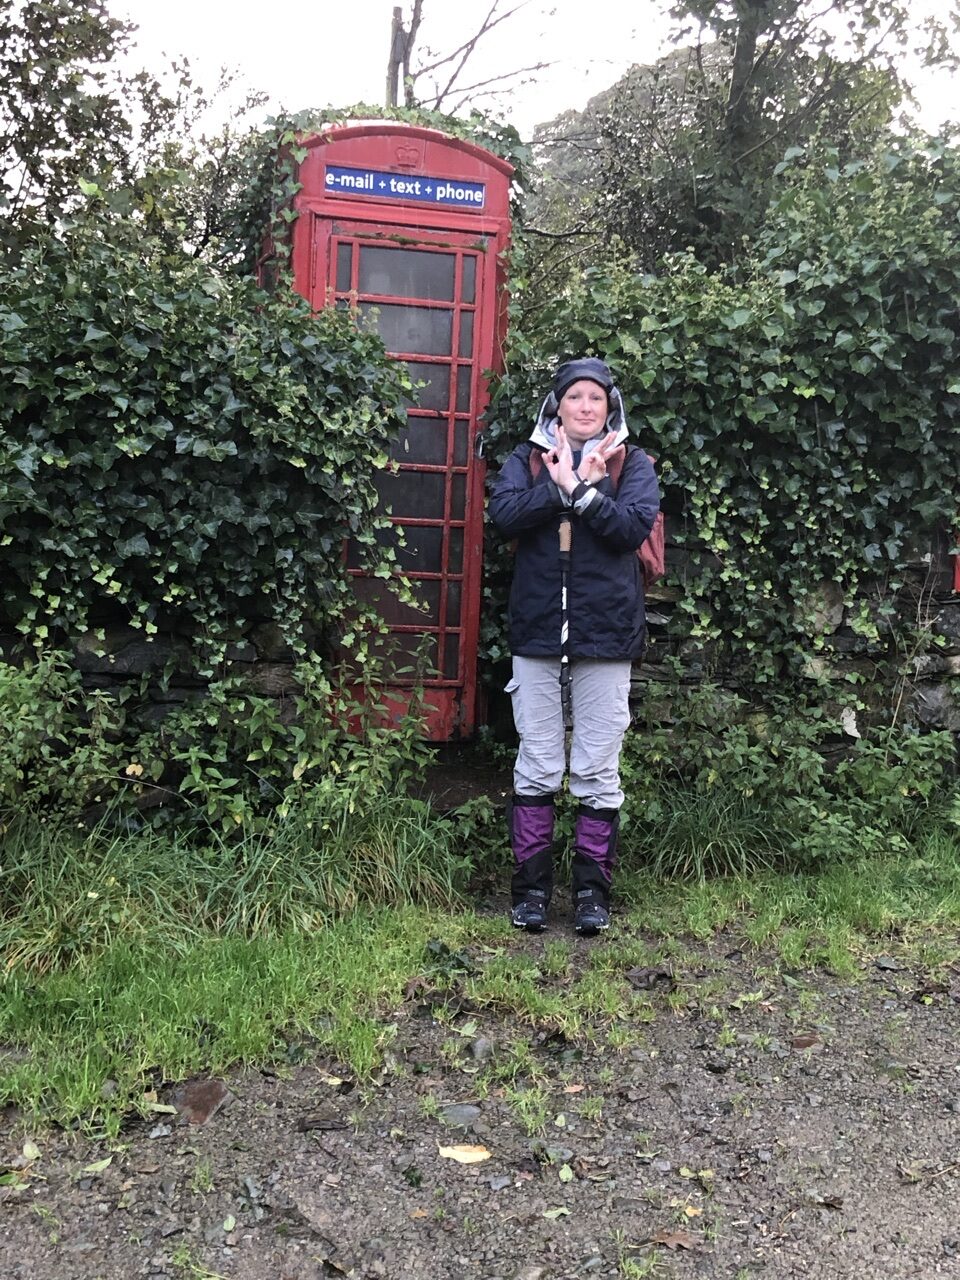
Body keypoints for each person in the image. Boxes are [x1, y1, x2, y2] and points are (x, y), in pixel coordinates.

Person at [488, 357, 660, 935]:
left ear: (610, 406)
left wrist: (580, 491)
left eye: (596, 397)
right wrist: (556, 489)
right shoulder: (527, 460)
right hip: (537, 631)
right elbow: (504, 515)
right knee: (536, 764)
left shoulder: (633, 463)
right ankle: (531, 894)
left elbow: (632, 528)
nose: (585, 406)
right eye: (574, 397)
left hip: (606, 634)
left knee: (596, 768)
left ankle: (591, 896)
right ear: (556, 405)